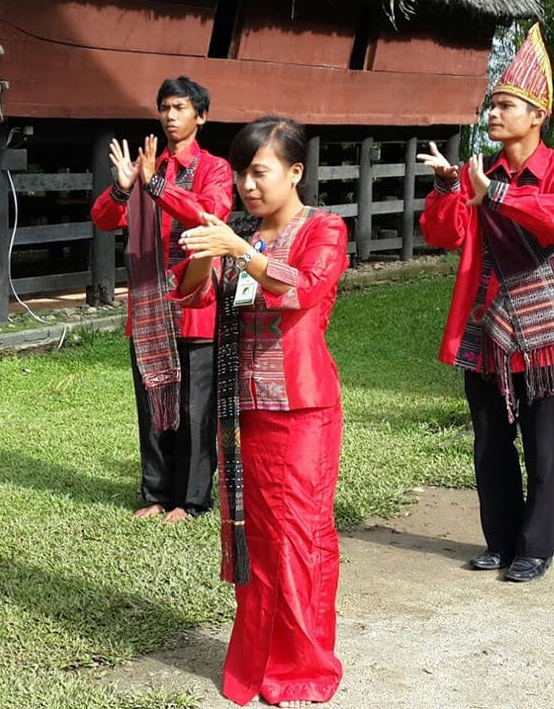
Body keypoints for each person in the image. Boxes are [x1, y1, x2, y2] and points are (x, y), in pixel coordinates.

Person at [175, 116, 348, 707]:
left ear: (295, 172)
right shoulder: (239, 230)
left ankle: (304, 665)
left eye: (260, 172)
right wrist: (204, 249)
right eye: (243, 173)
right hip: (241, 409)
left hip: (301, 408)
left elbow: (301, 288)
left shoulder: (324, 227)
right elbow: (193, 295)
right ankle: (256, 659)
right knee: (255, 533)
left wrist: (236, 247)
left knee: (299, 535)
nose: (248, 185)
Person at [418, 24, 554, 583]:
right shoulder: (477, 175)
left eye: (505, 106)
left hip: (541, 338)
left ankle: (535, 547)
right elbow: (441, 235)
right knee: (491, 442)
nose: (493, 115)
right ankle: (500, 540)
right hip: (485, 331)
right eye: (491, 106)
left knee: (544, 449)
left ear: (537, 114)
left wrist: (494, 193)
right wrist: (452, 189)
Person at [90, 76, 234, 523]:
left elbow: (208, 213)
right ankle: (155, 493)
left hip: (194, 303)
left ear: (201, 116)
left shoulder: (215, 168)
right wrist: (123, 186)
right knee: (152, 401)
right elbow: (103, 219)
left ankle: (190, 500)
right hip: (151, 306)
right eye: (164, 108)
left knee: (194, 409)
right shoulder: (146, 165)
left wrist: (154, 186)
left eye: (180, 107)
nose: (170, 116)